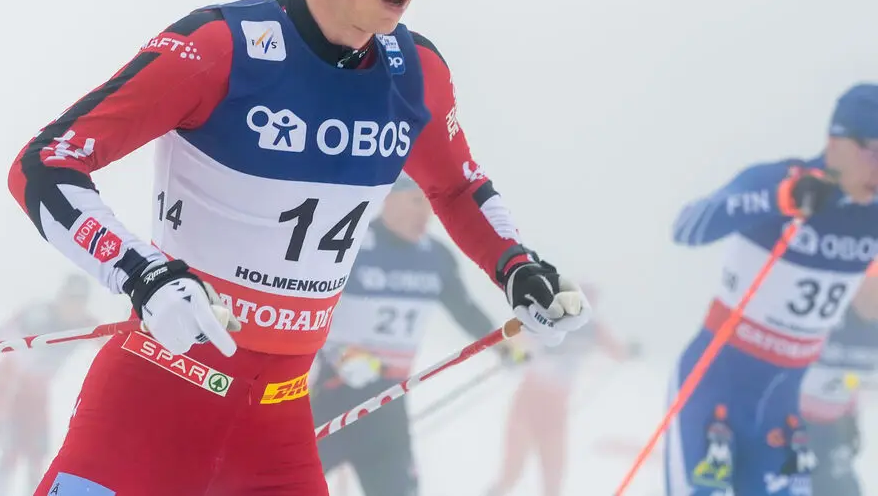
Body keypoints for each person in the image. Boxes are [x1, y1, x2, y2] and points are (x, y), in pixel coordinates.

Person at [7, 0, 593, 495]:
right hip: (149, 410)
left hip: (276, 426)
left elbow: (457, 187)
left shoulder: (416, 73)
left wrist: (518, 266)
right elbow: (43, 164)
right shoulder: (221, 47)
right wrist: (143, 274)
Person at [664, 83, 878, 496]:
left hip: (780, 412)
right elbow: (686, 227)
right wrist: (779, 200)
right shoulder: (779, 181)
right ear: (837, 141)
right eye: (874, 152)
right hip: (712, 391)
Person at [311, 174, 509, 496]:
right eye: (417, 200)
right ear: (388, 199)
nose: (426, 213)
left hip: (388, 407)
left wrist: (504, 345)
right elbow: (308, 312)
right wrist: (340, 354)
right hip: (333, 400)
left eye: (430, 203)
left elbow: (465, 309)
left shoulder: (436, 258)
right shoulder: (351, 246)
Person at [484, 285, 639, 496]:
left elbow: (616, 351)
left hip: (556, 411)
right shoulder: (550, 319)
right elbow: (516, 340)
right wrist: (514, 354)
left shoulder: (593, 330)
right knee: (511, 473)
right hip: (529, 403)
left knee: (553, 480)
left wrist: (630, 350)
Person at [0, 274, 100, 496]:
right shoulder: (39, 315)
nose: (73, 306)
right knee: (11, 447)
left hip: (37, 392)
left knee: (37, 450)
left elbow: (107, 338)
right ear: (60, 297)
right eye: (69, 299)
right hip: (10, 384)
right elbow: (5, 330)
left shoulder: (84, 324)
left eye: (79, 301)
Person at [798, 264, 878, 496]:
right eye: (871, 285)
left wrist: (850, 421)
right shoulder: (826, 315)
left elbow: (859, 383)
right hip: (791, 426)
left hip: (832, 429)